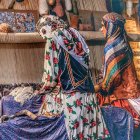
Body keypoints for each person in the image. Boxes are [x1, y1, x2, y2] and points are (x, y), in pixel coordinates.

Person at [36, 15, 110, 140]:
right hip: (88, 91)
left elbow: (51, 76)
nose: (43, 36)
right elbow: (86, 59)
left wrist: (42, 90)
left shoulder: (52, 39)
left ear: (45, 29)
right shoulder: (74, 33)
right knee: (91, 129)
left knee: (76, 131)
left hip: (72, 95)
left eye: (42, 32)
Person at [94, 12, 140, 139]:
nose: (101, 29)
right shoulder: (123, 43)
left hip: (122, 97)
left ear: (111, 27)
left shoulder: (112, 46)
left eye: (104, 25)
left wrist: (94, 88)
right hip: (132, 92)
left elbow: (109, 83)